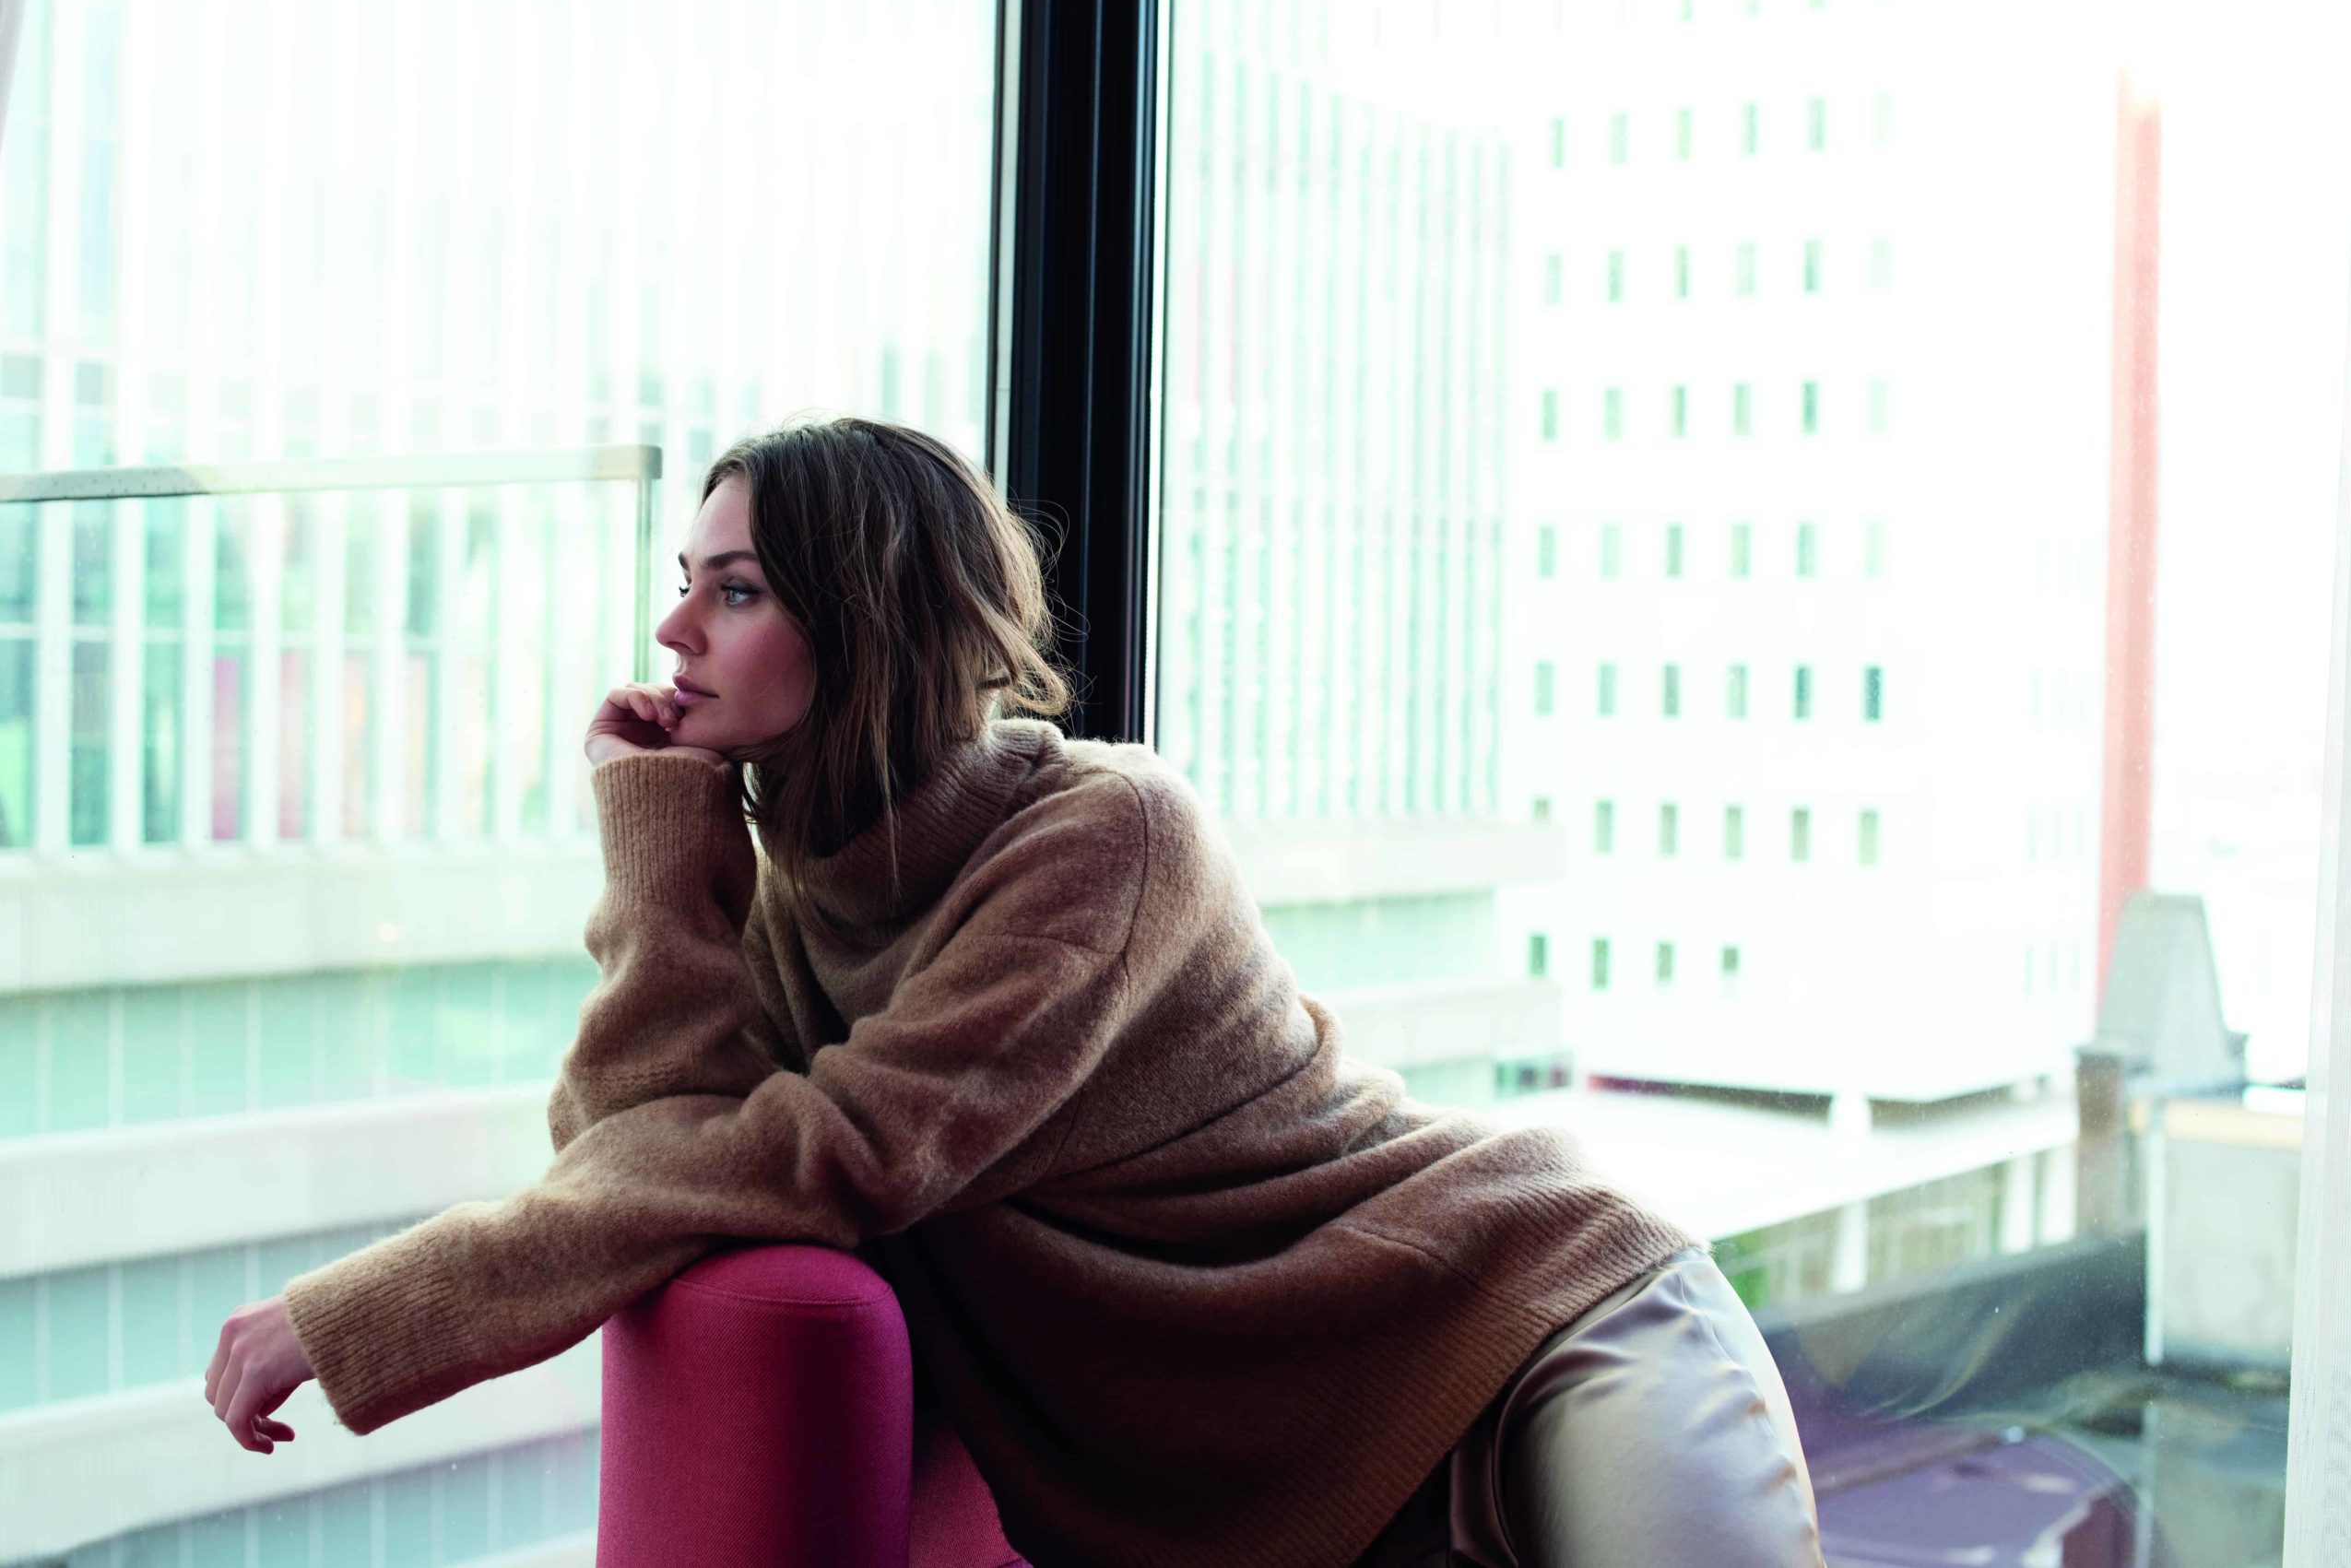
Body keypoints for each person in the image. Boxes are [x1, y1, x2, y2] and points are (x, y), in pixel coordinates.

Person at [205, 417, 1824, 1566]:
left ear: (868, 617)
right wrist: (659, 836)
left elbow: (836, 1155)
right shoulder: (787, 900)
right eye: (685, 577)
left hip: (1530, 1323)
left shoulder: (1105, 834)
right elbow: (641, 1144)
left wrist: (353, 1317)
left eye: (736, 588)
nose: (672, 624)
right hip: (1278, 1449)